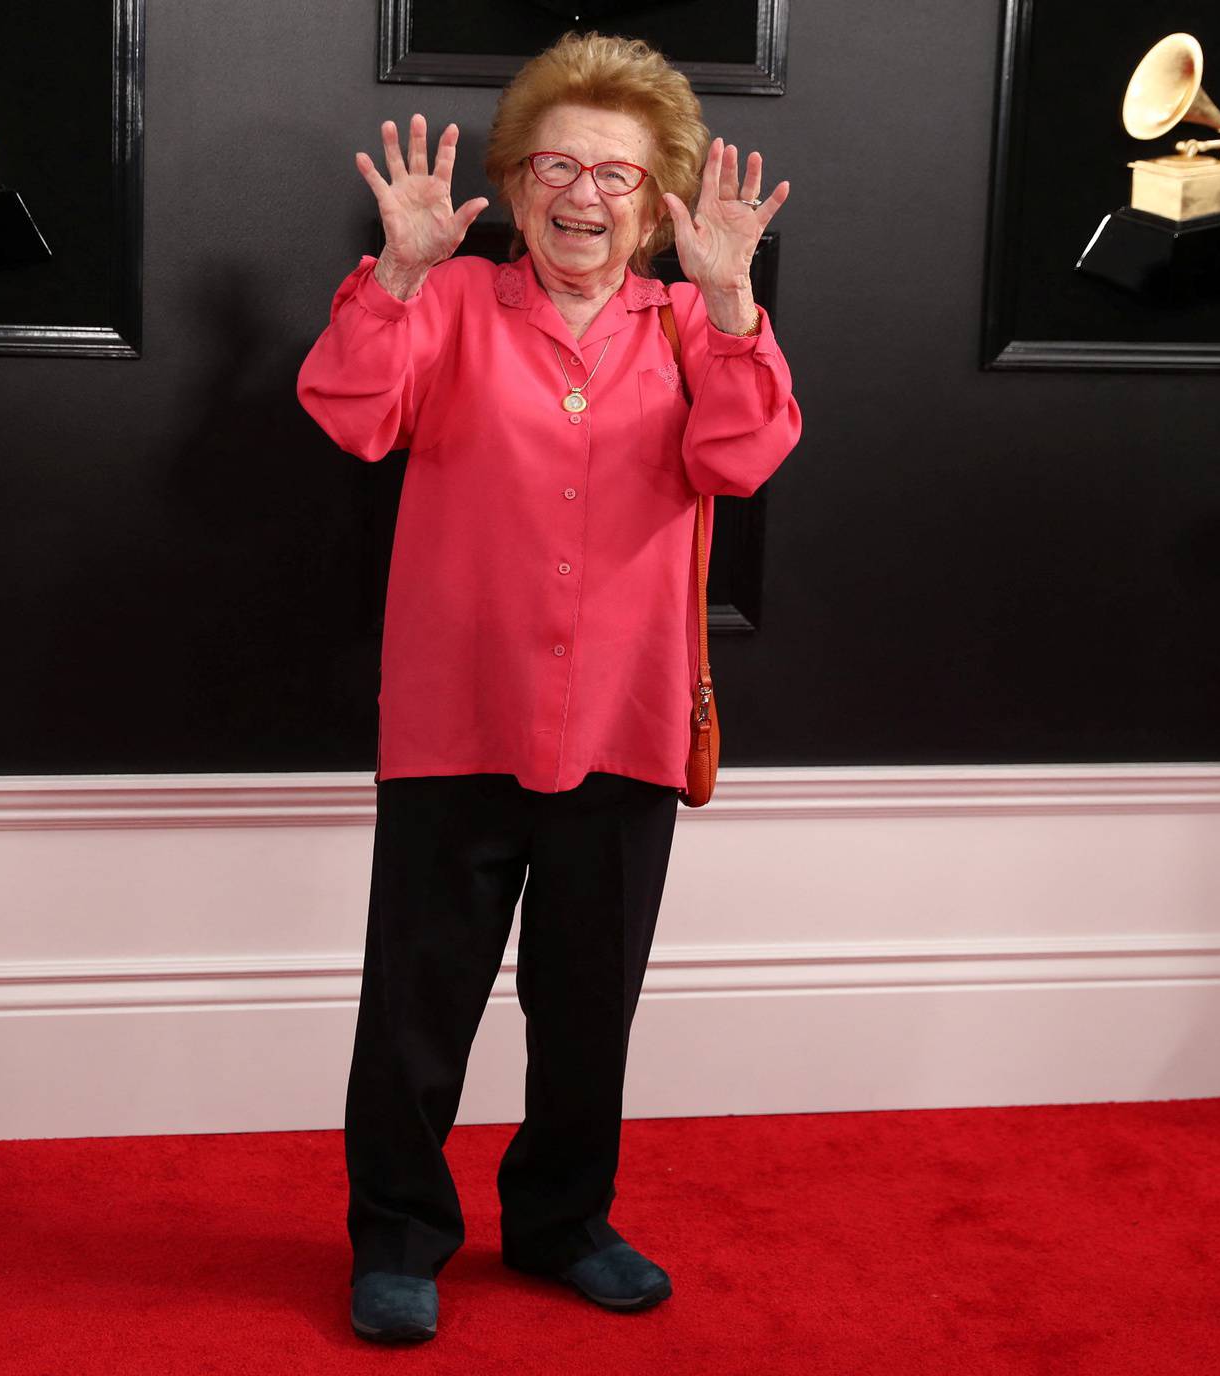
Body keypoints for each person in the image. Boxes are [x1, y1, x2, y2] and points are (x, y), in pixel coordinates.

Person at [296, 30, 802, 1344]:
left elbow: (744, 460)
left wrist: (739, 309)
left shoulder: (698, 323)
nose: (585, 197)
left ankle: (563, 1223)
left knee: (589, 1008)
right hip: (458, 716)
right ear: (515, 186)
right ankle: (400, 1235)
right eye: (557, 167)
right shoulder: (449, 303)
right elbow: (351, 413)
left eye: (618, 176)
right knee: (417, 1007)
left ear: (659, 200)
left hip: (625, 723)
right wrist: (399, 273)